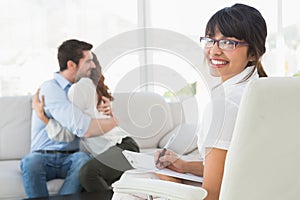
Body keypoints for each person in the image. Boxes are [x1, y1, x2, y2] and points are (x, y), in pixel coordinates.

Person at [114, 3, 268, 200]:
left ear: (253, 53)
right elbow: (235, 170)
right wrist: (184, 166)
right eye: (211, 40)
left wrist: (168, 179)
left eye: (228, 42)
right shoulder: (263, 93)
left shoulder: (224, 105)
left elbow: (212, 196)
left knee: (128, 185)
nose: (214, 50)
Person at [20, 39, 117, 198]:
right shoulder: (51, 88)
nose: (92, 66)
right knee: (31, 162)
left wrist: (104, 111)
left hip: (71, 156)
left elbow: (91, 121)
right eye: (87, 61)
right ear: (72, 65)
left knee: (83, 160)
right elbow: (81, 128)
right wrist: (111, 122)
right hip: (42, 155)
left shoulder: (82, 90)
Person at [32, 52, 140, 193]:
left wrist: (43, 117)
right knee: (85, 186)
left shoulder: (78, 88)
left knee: (88, 174)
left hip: (122, 148)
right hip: (123, 147)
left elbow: (68, 134)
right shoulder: (88, 87)